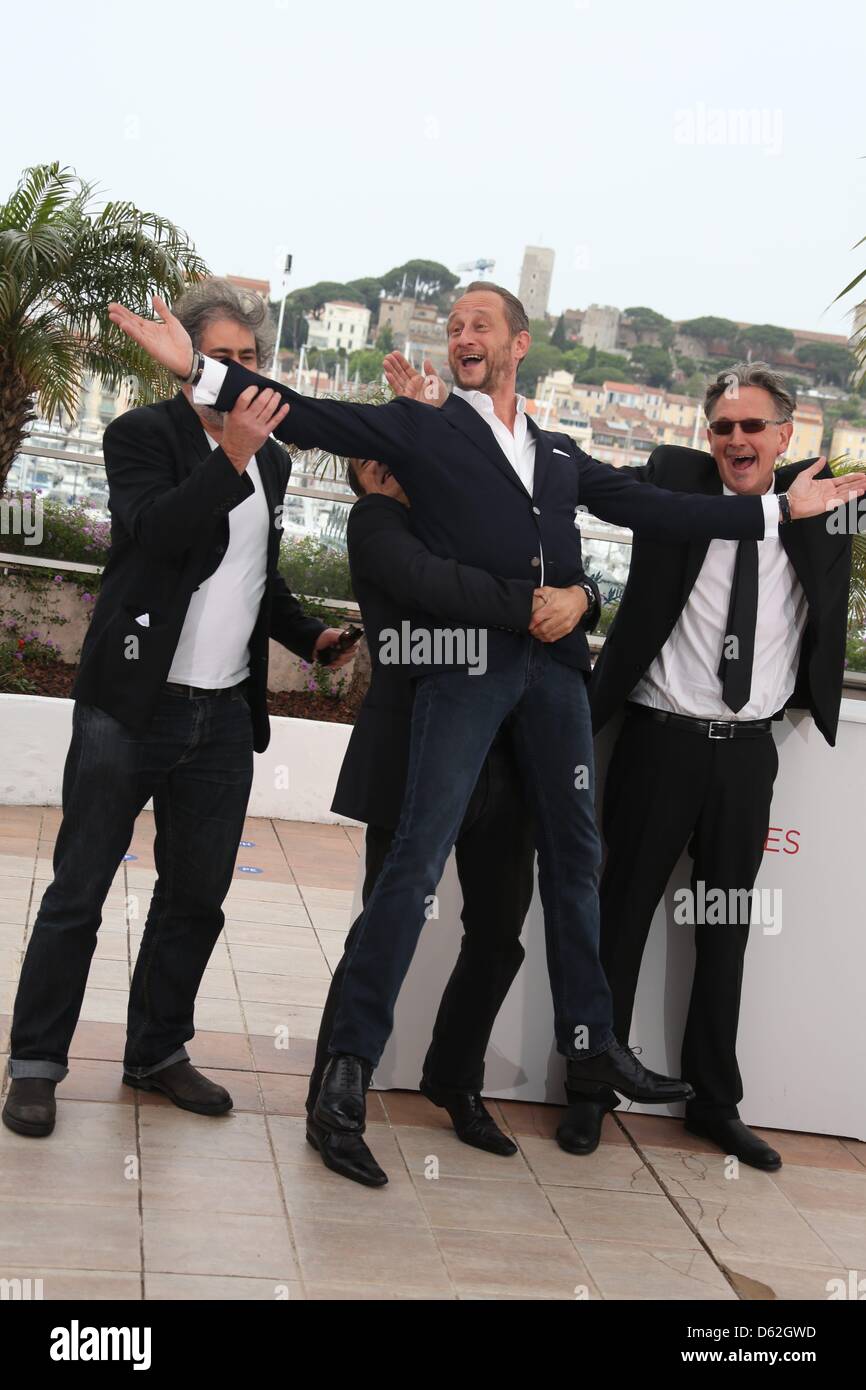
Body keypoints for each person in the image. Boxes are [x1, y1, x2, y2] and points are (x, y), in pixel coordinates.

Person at [107, 285, 863, 1171]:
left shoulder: (558, 452)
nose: (462, 335)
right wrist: (198, 372)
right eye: (454, 324)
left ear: (519, 344)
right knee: (415, 863)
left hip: (554, 676)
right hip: (469, 674)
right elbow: (308, 414)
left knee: (579, 856)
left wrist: (777, 512)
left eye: (479, 324)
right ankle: (345, 1074)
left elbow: (662, 511)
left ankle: (592, 1041)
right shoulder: (423, 429)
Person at [2, 279, 355, 1139]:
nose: (240, 374)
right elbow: (157, 535)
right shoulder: (142, 436)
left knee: (196, 896)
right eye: (222, 358)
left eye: (251, 360)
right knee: (80, 890)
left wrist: (310, 639)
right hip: (131, 701)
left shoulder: (273, 458)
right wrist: (227, 456)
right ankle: (37, 1065)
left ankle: (156, 1052)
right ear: (187, 363)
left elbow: (256, 581)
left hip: (223, 717)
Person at [561, 363, 856, 1169]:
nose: (735, 440)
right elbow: (584, 479)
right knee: (618, 920)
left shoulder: (821, 510)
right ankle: (590, 1091)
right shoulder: (674, 484)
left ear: (785, 437)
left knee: (723, 932)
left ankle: (713, 1104)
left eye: (752, 427)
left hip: (747, 756)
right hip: (658, 742)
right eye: (722, 426)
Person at [307, 452, 602, 1183]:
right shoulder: (377, 526)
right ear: (368, 476)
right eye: (380, 458)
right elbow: (418, 635)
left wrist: (582, 593)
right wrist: (522, 609)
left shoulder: (469, 517)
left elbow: (558, 572)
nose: (404, 463)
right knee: (382, 921)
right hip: (415, 750)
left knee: (500, 936)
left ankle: (454, 1077)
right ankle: (332, 1099)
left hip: (509, 761)